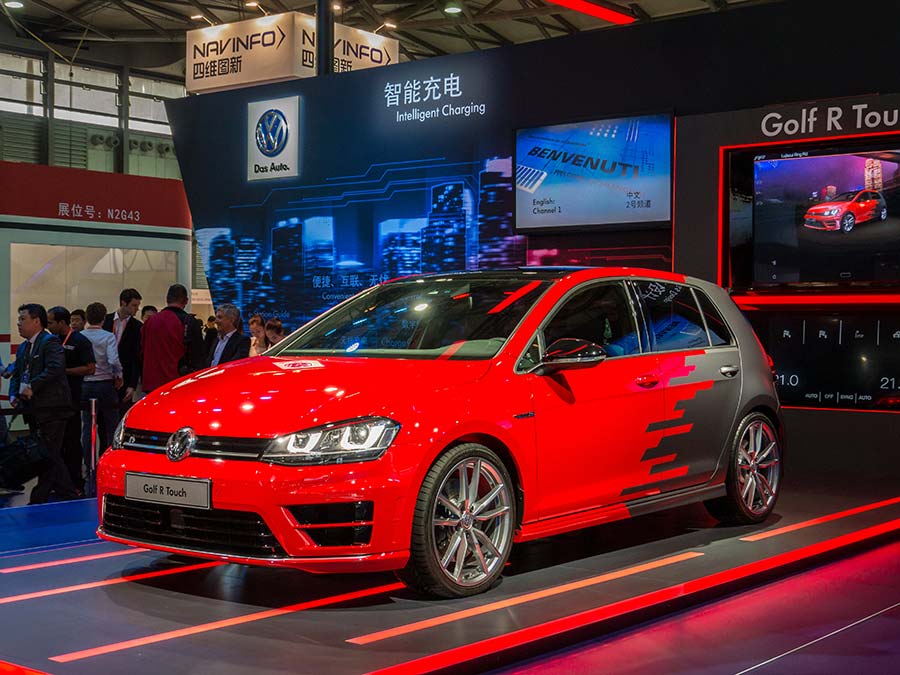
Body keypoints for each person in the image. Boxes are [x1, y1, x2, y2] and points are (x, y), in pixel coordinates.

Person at [8, 303, 80, 504]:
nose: (19, 323)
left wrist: (33, 386)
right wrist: (14, 394)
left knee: (48, 453)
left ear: (36, 321)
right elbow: (18, 373)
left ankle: (41, 497)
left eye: (23, 319)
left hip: (53, 409)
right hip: (33, 410)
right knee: (48, 454)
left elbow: (55, 369)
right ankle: (67, 492)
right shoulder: (24, 347)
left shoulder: (50, 343)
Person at [47, 306, 96, 490]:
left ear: (61, 322)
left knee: (72, 439)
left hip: (72, 397)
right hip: (52, 399)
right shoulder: (50, 341)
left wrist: (64, 372)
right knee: (54, 442)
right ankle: (56, 480)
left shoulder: (80, 341)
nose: (48, 325)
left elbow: (90, 368)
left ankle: (75, 480)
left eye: (51, 322)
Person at [81, 303, 122, 490]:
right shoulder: (107, 336)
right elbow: (113, 360)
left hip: (85, 384)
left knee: (87, 426)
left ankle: (88, 464)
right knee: (111, 425)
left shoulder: (80, 336)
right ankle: (108, 463)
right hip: (105, 384)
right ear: (103, 318)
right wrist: (118, 374)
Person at [141, 284, 205, 395]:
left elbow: (141, 350)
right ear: (186, 301)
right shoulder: (189, 321)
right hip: (177, 383)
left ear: (167, 299)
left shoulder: (150, 322)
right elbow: (197, 355)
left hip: (151, 383)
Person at [102, 288, 142, 411]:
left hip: (125, 377)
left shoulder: (138, 326)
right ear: (123, 303)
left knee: (121, 413)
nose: (137, 309)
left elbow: (137, 358)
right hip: (104, 375)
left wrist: (132, 385)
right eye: (134, 305)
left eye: (138, 305)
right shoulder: (105, 321)